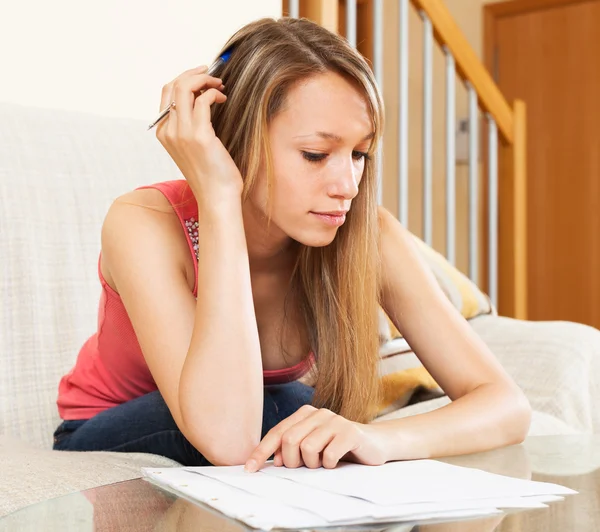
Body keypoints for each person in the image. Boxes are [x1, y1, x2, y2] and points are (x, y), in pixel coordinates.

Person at [52, 17, 531, 472]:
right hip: (109, 428)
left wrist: (383, 439)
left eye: (359, 154)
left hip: (249, 423)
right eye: (316, 154)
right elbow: (229, 437)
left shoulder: (368, 235)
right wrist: (219, 196)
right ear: (236, 140)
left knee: (303, 421)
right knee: (289, 409)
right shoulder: (144, 224)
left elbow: (505, 405)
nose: (347, 185)